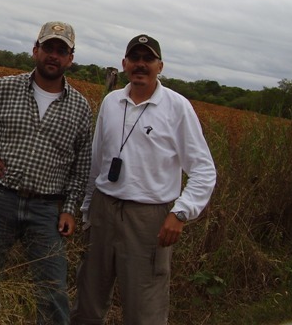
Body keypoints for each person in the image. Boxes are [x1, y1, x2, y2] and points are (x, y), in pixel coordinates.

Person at [0, 21, 93, 325]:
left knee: (52, 291)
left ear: (70, 58)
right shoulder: (4, 88)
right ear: (35, 50)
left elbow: (81, 166)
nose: (53, 55)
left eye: (61, 51)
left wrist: (69, 210)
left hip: (47, 210)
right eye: (48, 48)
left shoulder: (79, 107)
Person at [71, 34, 217, 325]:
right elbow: (97, 161)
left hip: (148, 219)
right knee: (88, 301)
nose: (140, 64)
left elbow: (203, 169)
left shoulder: (177, 107)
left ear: (160, 65)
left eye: (147, 59)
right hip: (103, 210)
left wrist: (180, 213)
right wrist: (87, 209)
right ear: (124, 63)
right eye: (134, 58)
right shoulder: (112, 102)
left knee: (144, 309)